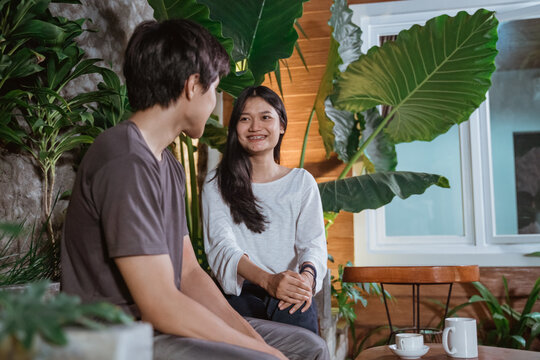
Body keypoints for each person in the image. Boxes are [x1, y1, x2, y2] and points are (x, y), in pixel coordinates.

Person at [61, 19, 329, 360]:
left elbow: (189, 272)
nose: (214, 100)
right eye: (214, 88)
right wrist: (264, 354)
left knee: (309, 348)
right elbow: (161, 305)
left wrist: (258, 343)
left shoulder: (167, 164)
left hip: (157, 326)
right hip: (116, 337)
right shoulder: (124, 159)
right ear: (192, 86)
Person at [202, 86, 328, 335]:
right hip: (237, 294)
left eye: (265, 117)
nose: (254, 126)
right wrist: (269, 281)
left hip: (289, 292)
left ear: (281, 125)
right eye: (245, 118)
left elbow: (313, 244)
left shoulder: (301, 182)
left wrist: (306, 280)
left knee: (302, 339)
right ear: (235, 128)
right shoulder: (216, 183)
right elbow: (221, 246)